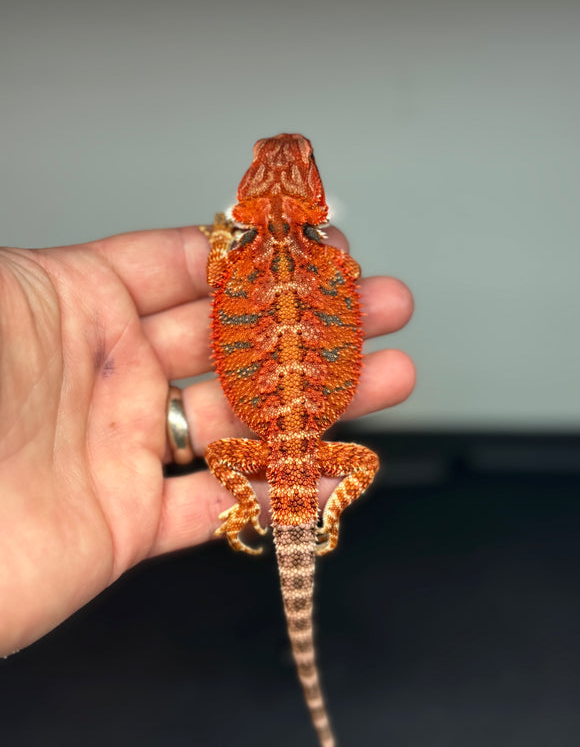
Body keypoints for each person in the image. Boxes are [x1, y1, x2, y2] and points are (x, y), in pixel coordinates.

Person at [0, 224, 415, 657]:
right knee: (361, 463)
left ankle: (266, 514)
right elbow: (347, 270)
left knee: (231, 455)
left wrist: (219, 242)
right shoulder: (323, 260)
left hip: (287, 429)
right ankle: (301, 524)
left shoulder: (255, 260)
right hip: (297, 428)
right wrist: (330, 510)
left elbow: (223, 273)